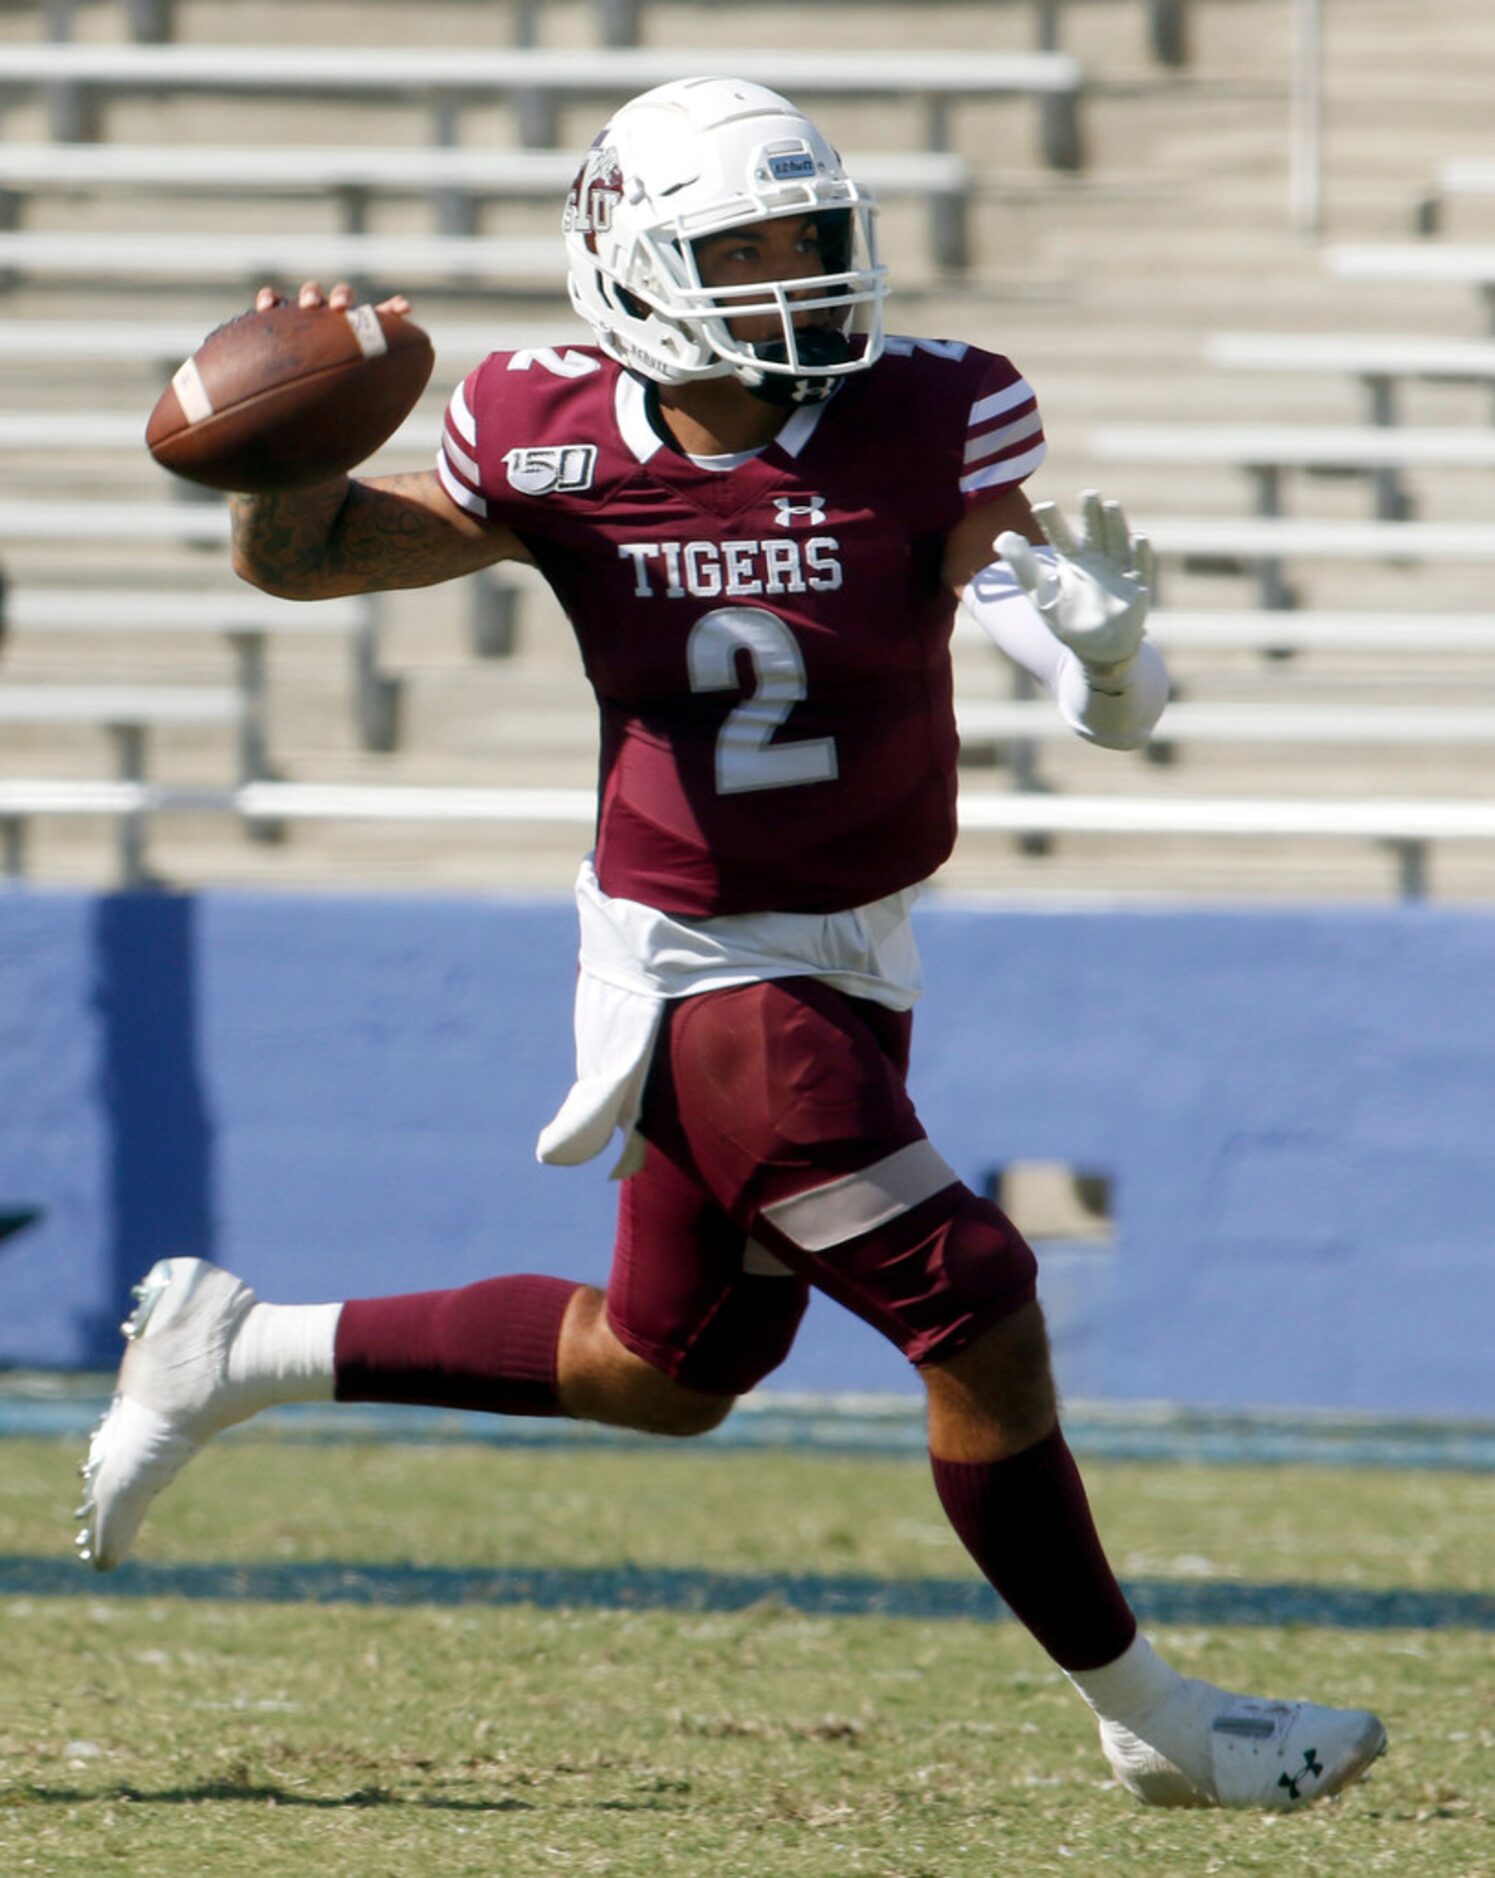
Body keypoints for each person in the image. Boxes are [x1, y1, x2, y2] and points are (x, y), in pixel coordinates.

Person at [76, 77, 1384, 1811]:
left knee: (670, 1366)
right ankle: (1154, 1715)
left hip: (850, 942)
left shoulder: (939, 409)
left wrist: (1117, 665)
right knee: (978, 1305)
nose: (797, 282)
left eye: (810, 241)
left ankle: (236, 1346)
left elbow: (1048, 642)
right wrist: (283, 458)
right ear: (631, 264)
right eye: (743, 249)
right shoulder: (538, 423)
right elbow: (309, 560)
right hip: (701, 957)